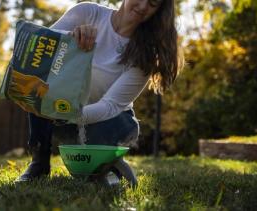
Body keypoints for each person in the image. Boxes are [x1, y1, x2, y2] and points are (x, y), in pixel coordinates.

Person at [17, 0, 183, 182]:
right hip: (65, 116)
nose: (143, 7)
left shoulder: (145, 54)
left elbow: (110, 106)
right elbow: (42, 53)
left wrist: (67, 115)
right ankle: (38, 164)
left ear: (158, 11)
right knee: (41, 87)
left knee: (90, 175)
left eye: (153, 3)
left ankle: (108, 165)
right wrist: (70, 38)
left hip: (112, 121)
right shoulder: (87, 12)